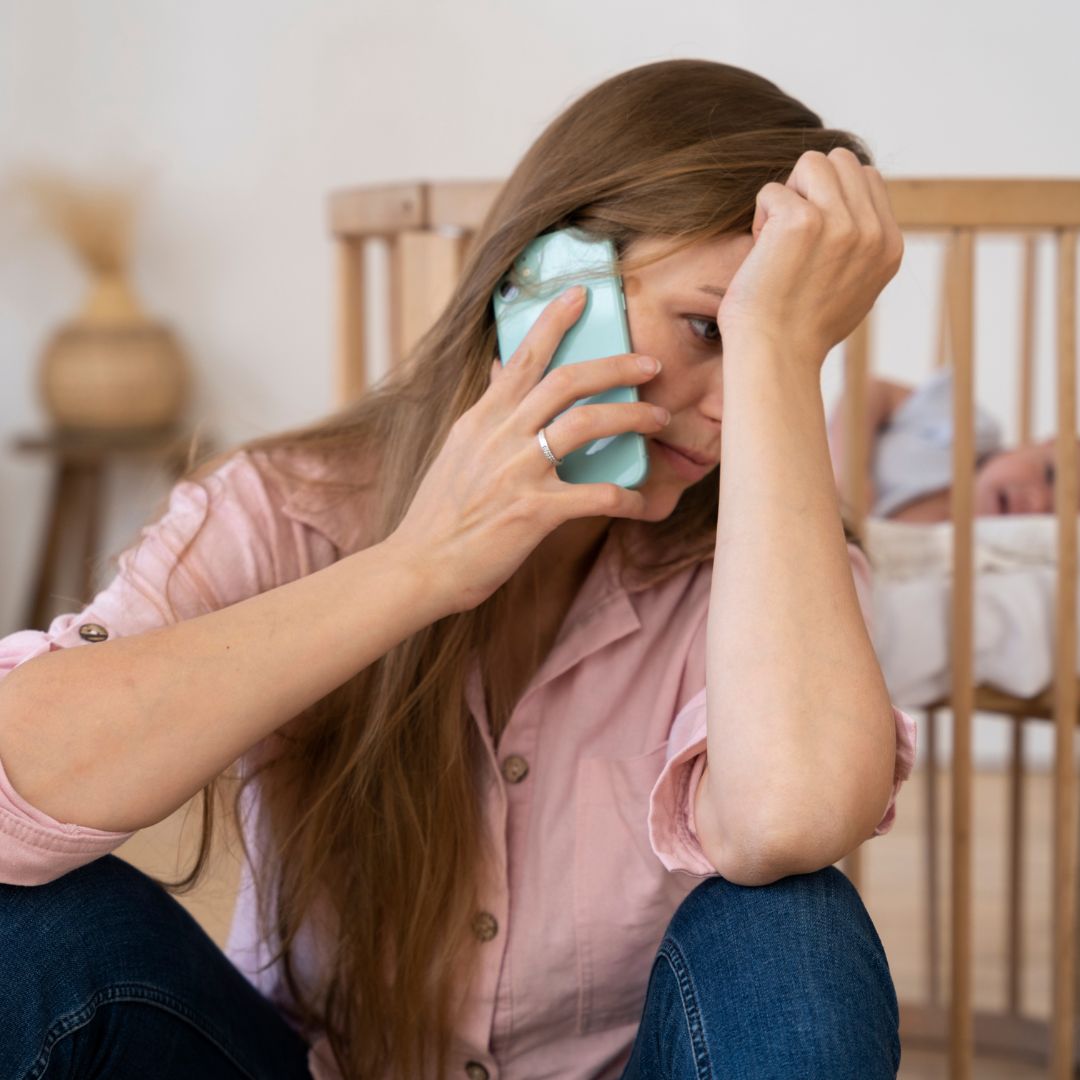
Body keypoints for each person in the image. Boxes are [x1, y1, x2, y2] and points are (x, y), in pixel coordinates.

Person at [0, 60, 917, 1080]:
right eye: (708, 329)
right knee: (28, 931)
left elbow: (788, 821)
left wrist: (778, 354)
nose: (731, 410)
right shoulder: (285, 507)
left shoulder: (771, 578)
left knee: (797, 920)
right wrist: (416, 569)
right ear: (543, 282)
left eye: (769, 354)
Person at [827, 368, 1064, 522]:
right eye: (1050, 475)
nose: (1038, 501)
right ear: (1037, 445)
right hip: (814, 472)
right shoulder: (973, 427)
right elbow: (869, 390)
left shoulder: (973, 555)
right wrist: (850, 471)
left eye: (1053, 514)